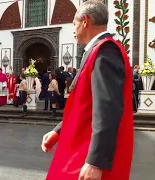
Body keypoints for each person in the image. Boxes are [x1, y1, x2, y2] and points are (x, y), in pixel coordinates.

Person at [42, 1, 133, 180]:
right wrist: (58, 131)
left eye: (74, 24)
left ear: (85, 21)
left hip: (86, 153)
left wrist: (95, 162)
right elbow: (85, 103)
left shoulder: (105, 52)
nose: (73, 31)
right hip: (80, 146)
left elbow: (107, 109)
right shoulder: (96, 50)